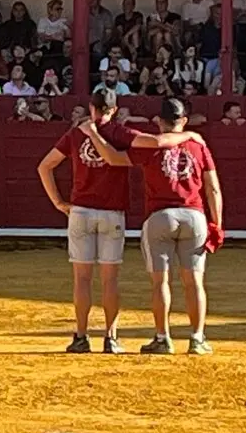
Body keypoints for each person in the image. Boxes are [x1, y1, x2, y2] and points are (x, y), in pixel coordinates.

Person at [36, 89, 207, 354]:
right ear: (114, 110)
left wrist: (59, 203)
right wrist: (188, 134)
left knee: (82, 279)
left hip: (81, 211)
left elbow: (44, 166)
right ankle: (111, 337)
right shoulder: (120, 133)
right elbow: (156, 142)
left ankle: (81, 337)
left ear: (91, 107)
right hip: (112, 213)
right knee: (110, 280)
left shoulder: (75, 134)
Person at [80, 97, 223, 355]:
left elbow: (112, 158)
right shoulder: (199, 146)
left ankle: (162, 338)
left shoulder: (149, 146)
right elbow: (213, 188)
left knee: (160, 282)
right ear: (184, 121)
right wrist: (217, 224)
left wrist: (94, 135)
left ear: (159, 121)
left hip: (160, 217)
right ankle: (197, 338)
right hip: (194, 217)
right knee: (194, 282)